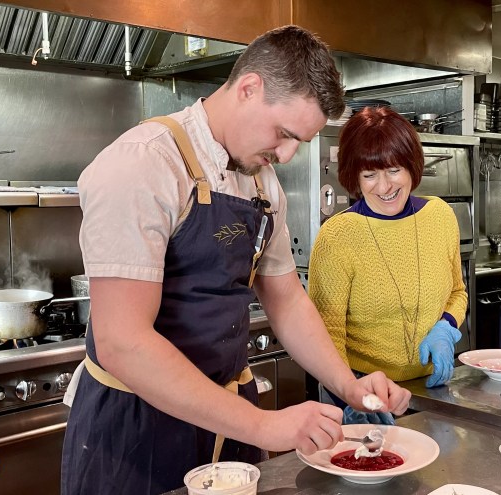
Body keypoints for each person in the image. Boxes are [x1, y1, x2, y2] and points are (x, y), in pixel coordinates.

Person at [61, 25, 410, 495]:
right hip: (137, 430)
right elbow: (123, 342)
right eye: (284, 134)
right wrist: (264, 426)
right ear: (248, 88)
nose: (286, 155)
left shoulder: (262, 182)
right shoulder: (142, 165)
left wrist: (349, 386)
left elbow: (287, 301)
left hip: (230, 423)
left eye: (300, 142)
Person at [308, 106, 467, 423]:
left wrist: (446, 327)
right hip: (363, 393)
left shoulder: (440, 216)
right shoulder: (338, 235)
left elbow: (457, 292)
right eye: (369, 175)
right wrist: (354, 395)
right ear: (355, 177)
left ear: (412, 166)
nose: (384, 187)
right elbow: (326, 334)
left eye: (394, 170)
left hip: (431, 389)